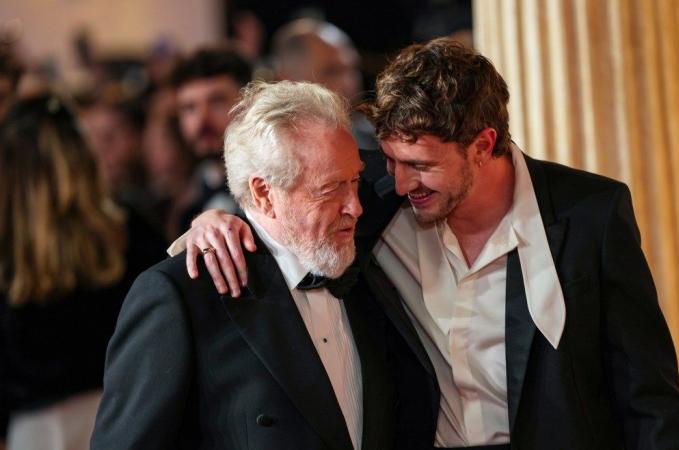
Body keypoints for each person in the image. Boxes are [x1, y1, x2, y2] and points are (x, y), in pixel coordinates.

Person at [178, 38, 679, 449]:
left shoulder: (589, 214)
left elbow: (647, 394)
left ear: (483, 145)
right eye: (391, 160)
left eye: (421, 165)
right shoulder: (377, 197)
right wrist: (214, 218)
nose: (400, 183)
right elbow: (284, 201)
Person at [91, 81, 436, 450]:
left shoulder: (359, 251)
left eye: (354, 180)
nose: (356, 205)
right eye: (331, 188)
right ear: (263, 193)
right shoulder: (182, 297)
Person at [0, 94, 165, 450]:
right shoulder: (128, 227)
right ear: (81, 154)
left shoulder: (7, 243)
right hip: (120, 409)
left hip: (36, 426)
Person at [171, 47, 252, 231]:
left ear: (248, 104)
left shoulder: (274, 186)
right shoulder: (188, 197)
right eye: (189, 108)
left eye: (216, 102)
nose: (202, 120)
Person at [270, 18, 377, 150]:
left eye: (352, 69)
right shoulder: (265, 150)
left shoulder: (379, 144)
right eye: (331, 71)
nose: (349, 82)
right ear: (287, 81)